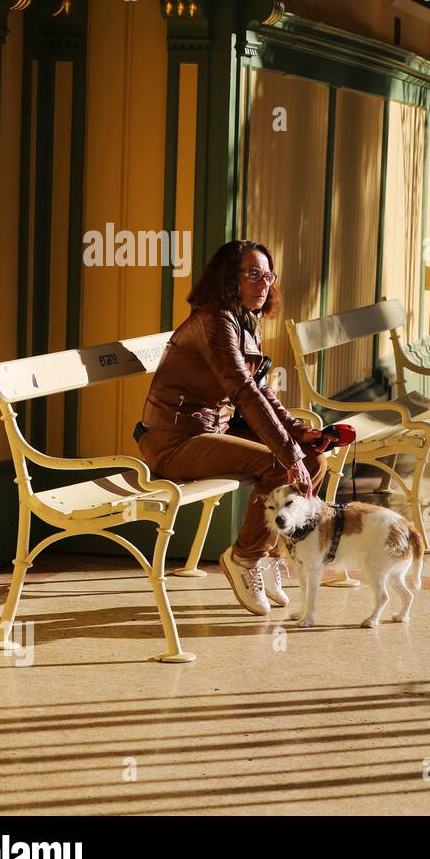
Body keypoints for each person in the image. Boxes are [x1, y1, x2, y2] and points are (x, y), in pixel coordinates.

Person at [136, 240, 328, 616]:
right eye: (253, 274)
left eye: (268, 276)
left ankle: (271, 551)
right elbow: (242, 390)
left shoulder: (243, 319)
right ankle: (244, 558)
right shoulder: (214, 321)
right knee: (279, 466)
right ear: (229, 278)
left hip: (212, 433)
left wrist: (295, 432)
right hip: (175, 441)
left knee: (314, 461)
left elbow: (259, 387)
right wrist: (287, 452)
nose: (264, 284)